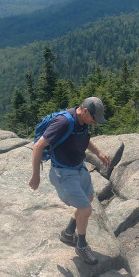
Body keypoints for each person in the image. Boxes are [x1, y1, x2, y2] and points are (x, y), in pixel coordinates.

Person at [29, 97, 110, 265]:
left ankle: (68, 233)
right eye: (94, 118)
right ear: (86, 111)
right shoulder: (63, 123)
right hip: (63, 173)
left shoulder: (82, 122)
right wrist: (35, 175)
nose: (94, 122)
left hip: (79, 168)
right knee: (85, 209)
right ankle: (81, 245)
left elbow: (85, 139)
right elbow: (38, 146)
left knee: (88, 199)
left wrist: (99, 153)